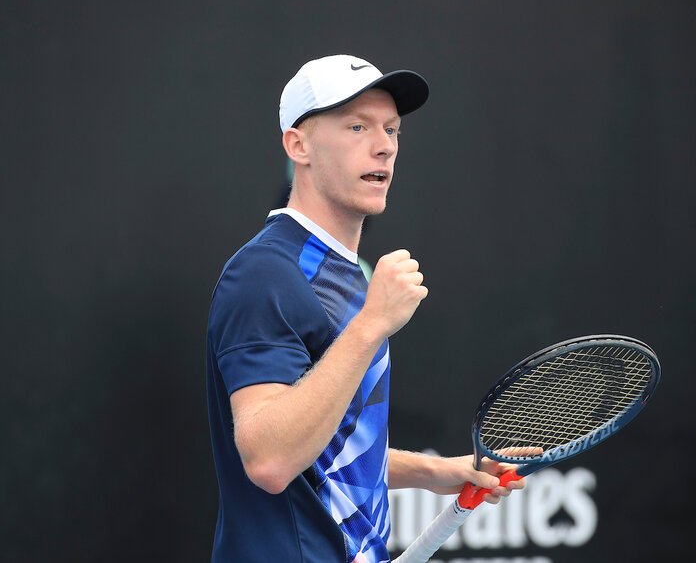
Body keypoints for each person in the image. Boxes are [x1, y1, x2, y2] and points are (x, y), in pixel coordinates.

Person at [206, 54, 528, 563]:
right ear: (298, 144)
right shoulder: (265, 272)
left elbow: (329, 446)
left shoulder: (347, 271)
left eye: (392, 130)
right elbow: (269, 459)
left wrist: (435, 472)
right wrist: (372, 323)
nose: (384, 146)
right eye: (357, 126)